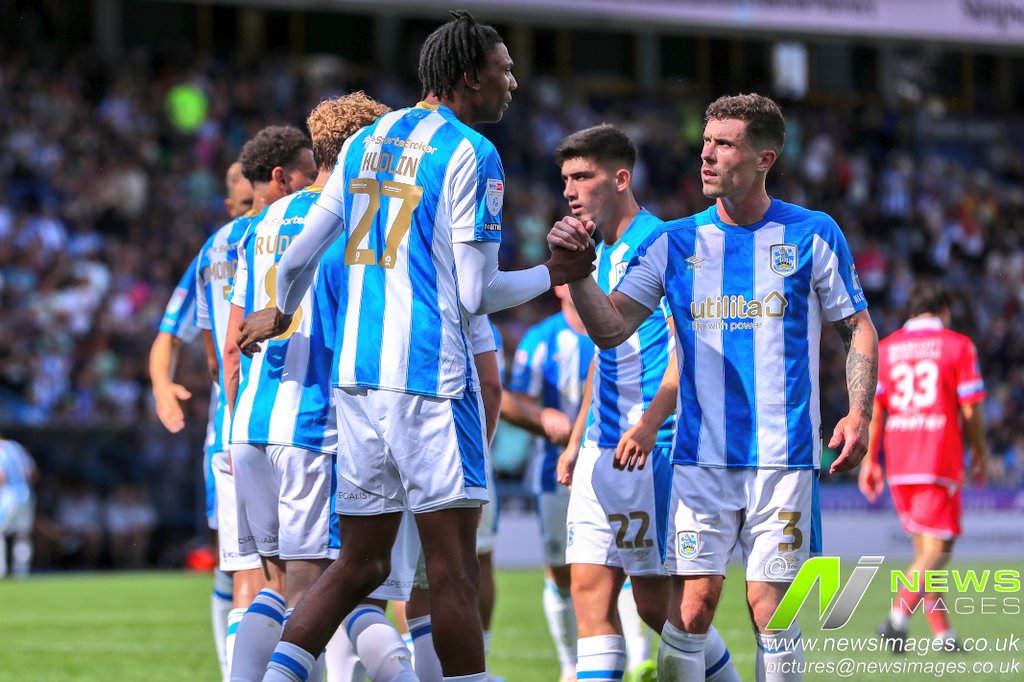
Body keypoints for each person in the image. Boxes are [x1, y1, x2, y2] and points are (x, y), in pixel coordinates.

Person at [237, 11, 593, 682]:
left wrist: (280, 310)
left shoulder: (364, 141)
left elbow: (298, 258)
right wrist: (556, 273)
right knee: (453, 568)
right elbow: (476, 292)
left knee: (359, 564)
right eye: (504, 70)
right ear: (470, 77)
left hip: (357, 381)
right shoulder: (472, 153)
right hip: (432, 382)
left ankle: (277, 677)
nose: (513, 82)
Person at [547, 94, 878, 682]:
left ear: (764, 158)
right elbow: (612, 328)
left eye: (724, 145)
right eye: (705, 142)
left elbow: (857, 328)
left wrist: (859, 412)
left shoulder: (813, 233)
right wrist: (575, 276)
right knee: (691, 610)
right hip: (700, 458)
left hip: (783, 457)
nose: (706, 155)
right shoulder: (674, 242)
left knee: (771, 609)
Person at [221, 93, 418, 682]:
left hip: (251, 424)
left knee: (277, 585)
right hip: (315, 424)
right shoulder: (359, 218)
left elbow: (237, 334)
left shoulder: (264, 220)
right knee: (332, 591)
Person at [545, 124, 738, 682]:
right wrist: (577, 440)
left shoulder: (664, 242)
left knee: (655, 606)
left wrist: (651, 422)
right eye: (565, 179)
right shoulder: (599, 251)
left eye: (583, 176)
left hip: (649, 448)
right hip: (600, 447)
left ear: (621, 178)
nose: (570, 190)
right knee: (588, 592)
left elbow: (689, 347)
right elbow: (603, 352)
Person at [196, 125, 317, 678]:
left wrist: (234, 417)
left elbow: (227, 346)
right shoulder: (328, 219)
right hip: (307, 424)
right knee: (324, 582)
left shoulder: (241, 235)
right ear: (284, 175)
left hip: (243, 425)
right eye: (307, 172)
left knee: (264, 582)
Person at [148, 160, 253, 682]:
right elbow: (171, 337)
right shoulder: (221, 249)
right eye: (244, 202)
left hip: (257, 422)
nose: (252, 209)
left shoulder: (225, 246)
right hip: (244, 423)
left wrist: (164, 382)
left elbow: (186, 343)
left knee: (259, 565)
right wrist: (161, 385)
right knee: (244, 563)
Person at [859, 280, 987, 651]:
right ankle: (897, 618)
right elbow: (970, 408)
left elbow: (875, 411)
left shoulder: (888, 348)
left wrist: (870, 462)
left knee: (925, 555)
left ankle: (943, 634)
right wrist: (980, 451)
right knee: (937, 552)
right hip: (938, 456)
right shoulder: (957, 345)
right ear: (944, 310)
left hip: (900, 460)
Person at [503, 284, 594, 682]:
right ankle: (570, 666)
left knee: (625, 562)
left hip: (615, 464)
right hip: (554, 471)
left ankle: (637, 659)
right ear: (558, 286)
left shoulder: (619, 326)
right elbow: (512, 400)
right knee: (560, 569)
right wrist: (542, 416)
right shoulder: (541, 339)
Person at [0, 435, 37, 578]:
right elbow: (33, 474)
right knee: (22, 535)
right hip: (27, 494)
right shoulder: (17, 447)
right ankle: (21, 571)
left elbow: (1, 477)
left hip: (9, 496)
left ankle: (1, 569)